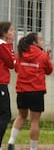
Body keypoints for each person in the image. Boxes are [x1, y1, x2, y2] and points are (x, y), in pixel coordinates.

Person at [7, 32, 53, 150]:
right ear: (34, 42)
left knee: (21, 116)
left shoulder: (20, 54)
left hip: (22, 91)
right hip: (36, 91)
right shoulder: (42, 56)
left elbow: (17, 69)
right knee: (34, 121)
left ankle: (11, 141)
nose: (42, 41)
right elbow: (49, 70)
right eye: (41, 39)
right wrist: (47, 56)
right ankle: (33, 148)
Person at [0, 21, 15, 150]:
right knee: (5, 114)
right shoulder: (3, 46)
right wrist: (10, 46)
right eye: (11, 30)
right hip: (1, 84)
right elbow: (12, 63)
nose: (13, 32)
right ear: (4, 33)